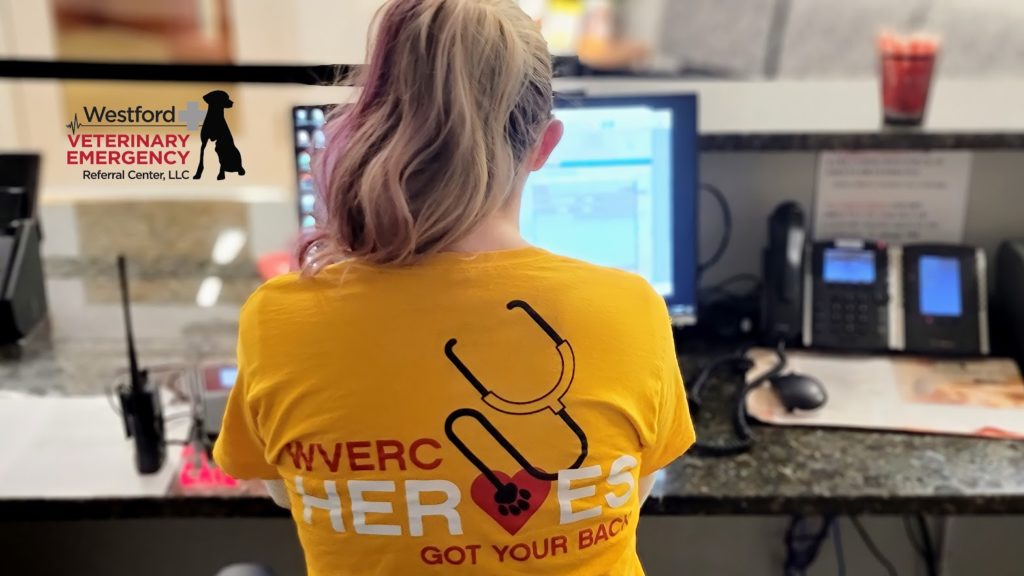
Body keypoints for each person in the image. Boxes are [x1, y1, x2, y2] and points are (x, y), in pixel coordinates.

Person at [213, 0, 695, 574]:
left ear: (371, 126)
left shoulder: (278, 320)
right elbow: (633, 490)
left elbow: (284, 492)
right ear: (546, 145)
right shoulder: (631, 310)